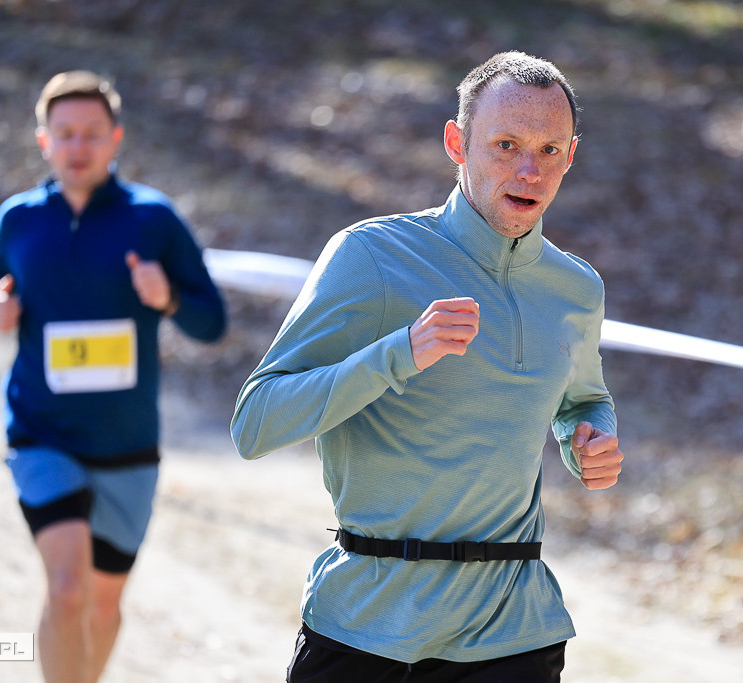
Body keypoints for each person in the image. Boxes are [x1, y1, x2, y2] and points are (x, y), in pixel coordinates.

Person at [230, 51, 623, 682]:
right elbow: (256, 425)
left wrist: (589, 441)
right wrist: (398, 354)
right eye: (505, 143)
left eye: (550, 150)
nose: (529, 169)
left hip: (513, 628)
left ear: (571, 155)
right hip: (370, 623)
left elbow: (582, 399)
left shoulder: (576, 288)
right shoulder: (371, 255)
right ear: (456, 143)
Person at [0, 70, 225, 683]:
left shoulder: (153, 219)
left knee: (104, 605)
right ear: (43, 142)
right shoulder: (20, 219)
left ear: (115, 140)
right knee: (68, 589)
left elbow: (211, 321)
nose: (77, 147)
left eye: (91, 134)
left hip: (127, 447)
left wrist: (166, 299)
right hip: (41, 433)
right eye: (65, 134)